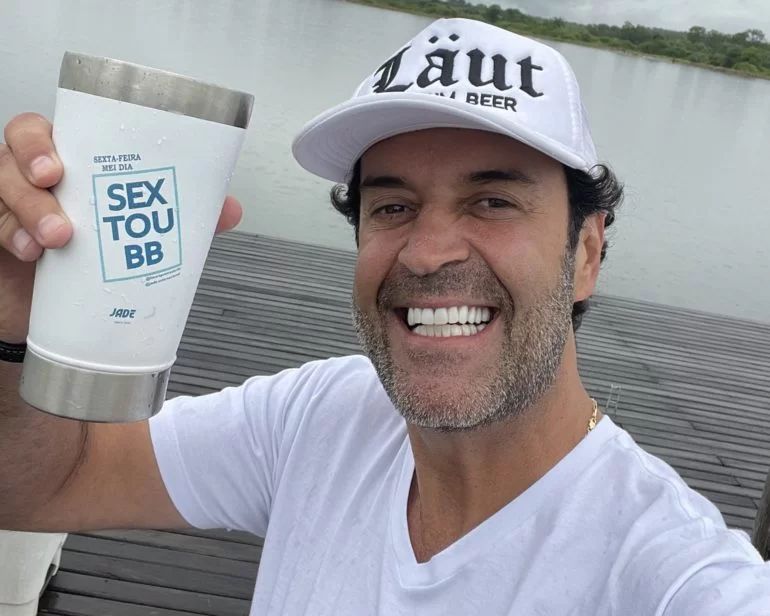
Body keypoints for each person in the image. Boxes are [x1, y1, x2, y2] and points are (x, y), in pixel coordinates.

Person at [0, 17, 767, 615]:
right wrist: (16, 320)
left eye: (492, 201)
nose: (427, 254)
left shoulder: (670, 573)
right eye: (393, 206)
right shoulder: (320, 419)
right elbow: (44, 486)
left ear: (587, 253)